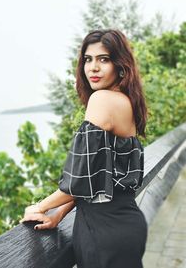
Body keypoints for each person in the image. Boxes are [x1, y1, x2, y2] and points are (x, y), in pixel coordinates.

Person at [20, 29, 148, 268]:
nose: (93, 68)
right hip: (125, 226)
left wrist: (40, 207)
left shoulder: (102, 100)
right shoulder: (127, 102)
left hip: (104, 232)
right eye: (88, 59)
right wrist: (59, 213)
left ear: (120, 65)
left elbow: (80, 179)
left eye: (104, 59)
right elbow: (97, 177)